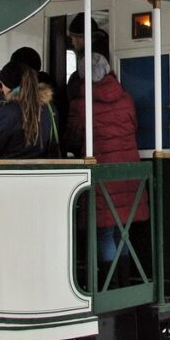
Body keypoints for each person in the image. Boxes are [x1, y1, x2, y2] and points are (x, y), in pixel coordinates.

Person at [62, 52, 149, 275]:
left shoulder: (81, 104)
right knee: (122, 231)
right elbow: (133, 128)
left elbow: (73, 138)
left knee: (105, 232)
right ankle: (124, 281)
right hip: (128, 172)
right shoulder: (126, 98)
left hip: (102, 173)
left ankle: (109, 285)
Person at [0, 60, 58, 158]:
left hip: (11, 166)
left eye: (2, 84)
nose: (2, 89)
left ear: (9, 84)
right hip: (42, 166)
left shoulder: (7, 112)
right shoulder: (49, 108)